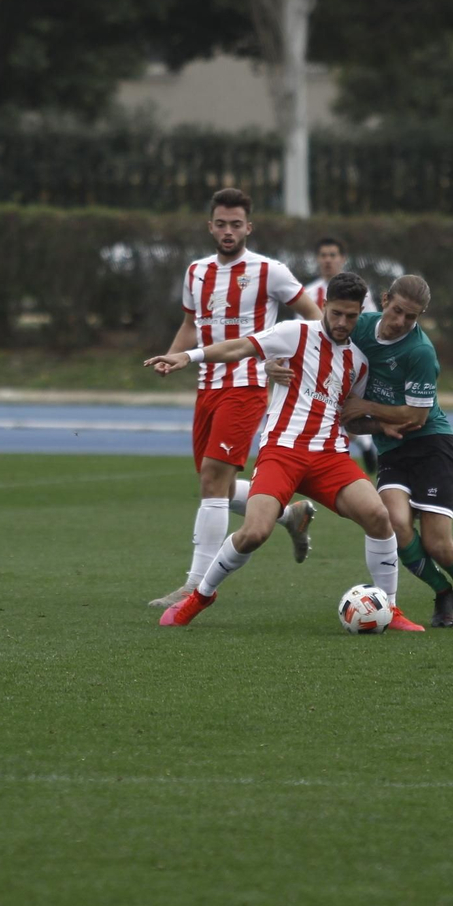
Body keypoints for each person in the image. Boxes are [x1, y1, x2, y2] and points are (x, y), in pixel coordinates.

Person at [145, 273, 425, 632]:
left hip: (330, 457)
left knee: (379, 517)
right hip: (282, 451)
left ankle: (391, 608)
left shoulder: (359, 361)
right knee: (254, 532)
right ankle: (201, 596)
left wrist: (379, 425)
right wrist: (188, 355)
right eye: (336, 313)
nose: (342, 322)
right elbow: (238, 348)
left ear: (360, 313)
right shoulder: (294, 334)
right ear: (324, 305)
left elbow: (349, 417)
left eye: (351, 316)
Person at [270, 275, 453, 628]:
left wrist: (366, 406)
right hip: (391, 447)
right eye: (397, 310)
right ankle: (442, 592)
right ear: (385, 300)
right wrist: (274, 364)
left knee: (438, 543)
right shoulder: (358, 326)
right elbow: (312, 342)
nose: (400, 321)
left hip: (431, 445)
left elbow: (417, 416)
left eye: (411, 317)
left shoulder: (419, 352)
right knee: (395, 525)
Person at [147, 188, 322, 609]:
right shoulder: (196, 272)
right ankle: (289, 516)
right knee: (218, 489)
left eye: (236, 225)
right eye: (222, 224)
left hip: (247, 386)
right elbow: (191, 324)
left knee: (212, 479)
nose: (228, 231)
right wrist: (175, 356)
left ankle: (194, 587)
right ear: (211, 227)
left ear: (249, 227)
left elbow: (314, 317)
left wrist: (287, 359)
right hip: (207, 386)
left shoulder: (270, 271)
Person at [301, 235, 378, 474]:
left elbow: (369, 326)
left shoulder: (360, 293)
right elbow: (301, 330)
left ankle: (353, 450)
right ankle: (360, 446)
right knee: (325, 410)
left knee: (337, 410)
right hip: (316, 363)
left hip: (346, 362)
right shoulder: (307, 293)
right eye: (323, 255)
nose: (327, 260)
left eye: (332, 255)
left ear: (342, 259)